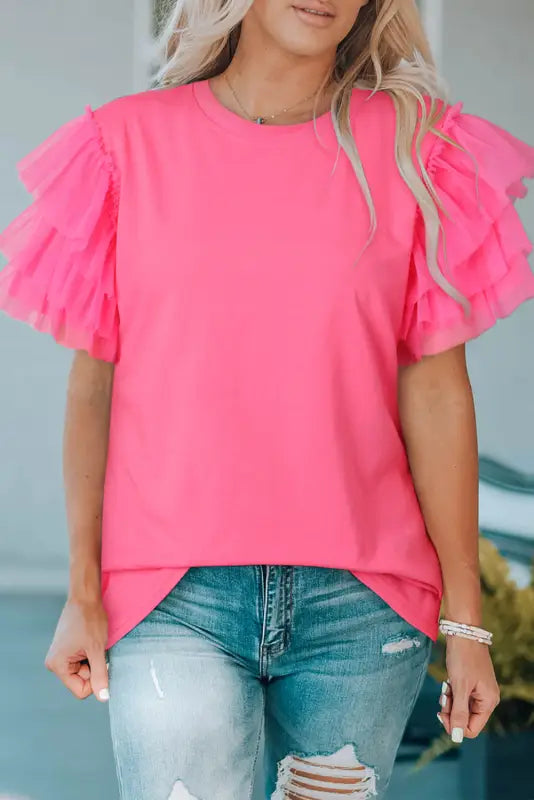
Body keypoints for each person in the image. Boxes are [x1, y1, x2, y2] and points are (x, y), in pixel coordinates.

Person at [1, 0, 533, 797]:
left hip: (361, 606)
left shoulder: (419, 148)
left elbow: (437, 395)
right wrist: (83, 590)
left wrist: (465, 624)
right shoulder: (123, 145)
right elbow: (95, 389)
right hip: (172, 596)